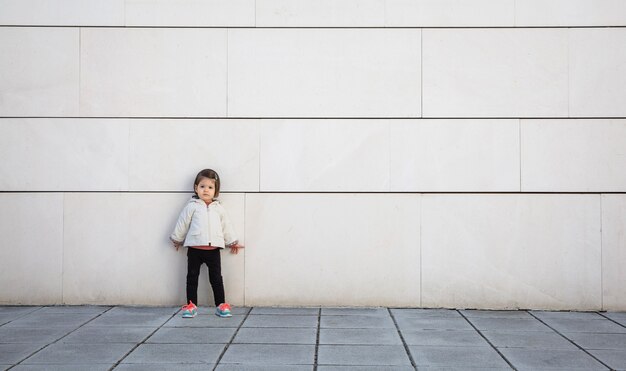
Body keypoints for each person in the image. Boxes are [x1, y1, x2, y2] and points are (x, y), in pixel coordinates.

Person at [170, 169, 244, 318]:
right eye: (202, 186)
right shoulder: (192, 206)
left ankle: (221, 305)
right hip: (195, 249)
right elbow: (182, 223)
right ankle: (191, 306)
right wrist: (177, 239)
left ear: (216, 191)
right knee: (192, 278)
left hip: (213, 250)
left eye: (210, 187)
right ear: (196, 188)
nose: (206, 190)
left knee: (216, 278)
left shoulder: (219, 209)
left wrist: (232, 241)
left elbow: (226, 226)